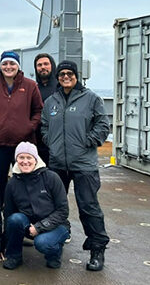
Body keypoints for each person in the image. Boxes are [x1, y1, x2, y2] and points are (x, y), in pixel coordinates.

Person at [42, 60, 110, 271]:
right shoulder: (51, 101)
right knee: (54, 206)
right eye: (61, 74)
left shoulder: (91, 99)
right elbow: (44, 126)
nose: (65, 77)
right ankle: (56, 242)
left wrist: (87, 141)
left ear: (76, 75)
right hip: (57, 163)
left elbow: (103, 125)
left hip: (84, 164)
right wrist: (51, 142)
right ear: (57, 77)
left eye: (69, 73)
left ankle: (97, 248)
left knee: (88, 206)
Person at [0, 51, 43, 199]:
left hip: (23, 144)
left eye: (12, 63)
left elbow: (38, 110)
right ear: (0, 66)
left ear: (18, 66)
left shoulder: (31, 85)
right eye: (5, 63)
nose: (8, 67)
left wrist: (29, 127)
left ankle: (22, 212)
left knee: (24, 179)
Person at [2, 142, 69, 270]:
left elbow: (63, 211)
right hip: (29, 225)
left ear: (36, 159)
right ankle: (14, 256)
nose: (25, 161)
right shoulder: (13, 183)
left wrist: (39, 227)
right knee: (15, 219)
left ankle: (55, 253)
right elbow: (8, 213)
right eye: (21, 158)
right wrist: (2, 244)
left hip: (56, 225)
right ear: (16, 159)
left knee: (42, 243)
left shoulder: (51, 177)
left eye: (29, 158)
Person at [33, 53, 59, 165]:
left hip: (57, 141)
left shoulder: (61, 88)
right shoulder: (33, 88)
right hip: (38, 141)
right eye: (39, 65)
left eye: (46, 64)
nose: (42, 67)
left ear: (52, 66)